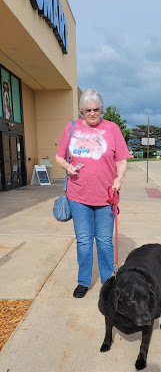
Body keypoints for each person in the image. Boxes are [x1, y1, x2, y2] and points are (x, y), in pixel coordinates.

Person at [56, 88, 130, 298]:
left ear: (101, 109)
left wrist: (119, 177)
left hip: (106, 196)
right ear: (81, 110)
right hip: (78, 196)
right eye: (87, 110)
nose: (92, 113)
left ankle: (108, 282)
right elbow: (59, 157)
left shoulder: (112, 129)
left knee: (105, 241)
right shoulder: (71, 128)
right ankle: (83, 281)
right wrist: (67, 167)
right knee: (84, 241)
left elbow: (121, 159)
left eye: (96, 109)